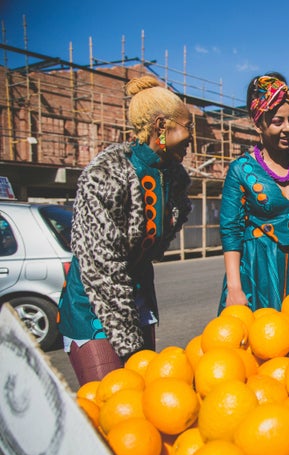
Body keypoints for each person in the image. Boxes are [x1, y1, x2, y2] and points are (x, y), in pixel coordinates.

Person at [58, 75, 192, 386]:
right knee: (113, 402)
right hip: (94, 304)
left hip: (138, 299)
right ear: (161, 126)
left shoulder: (172, 178)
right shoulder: (105, 175)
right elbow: (101, 267)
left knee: (145, 405)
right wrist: (127, 339)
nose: (189, 138)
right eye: (186, 127)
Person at [218, 73, 289, 312]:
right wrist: (235, 287)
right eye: (278, 121)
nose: (288, 128)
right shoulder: (240, 170)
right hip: (259, 272)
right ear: (258, 123)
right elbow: (231, 231)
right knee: (264, 341)